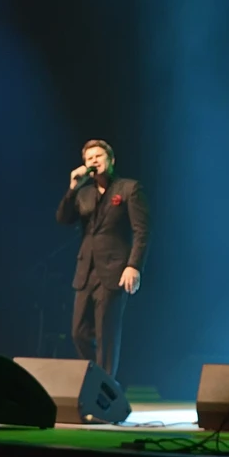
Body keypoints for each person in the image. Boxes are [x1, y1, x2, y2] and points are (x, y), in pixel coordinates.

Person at [57, 139, 149, 378]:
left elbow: (142, 231)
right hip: (86, 270)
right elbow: (63, 218)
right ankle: (96, 378)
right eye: (89, 158)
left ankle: (105, 387)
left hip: (114, 269)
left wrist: (133, 265)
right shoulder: (84, 193)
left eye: (98, 156)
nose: (93, 161)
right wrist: (72, 188)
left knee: (106, 334)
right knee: (78, 332)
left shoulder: (129, 188)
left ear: (111, 160)